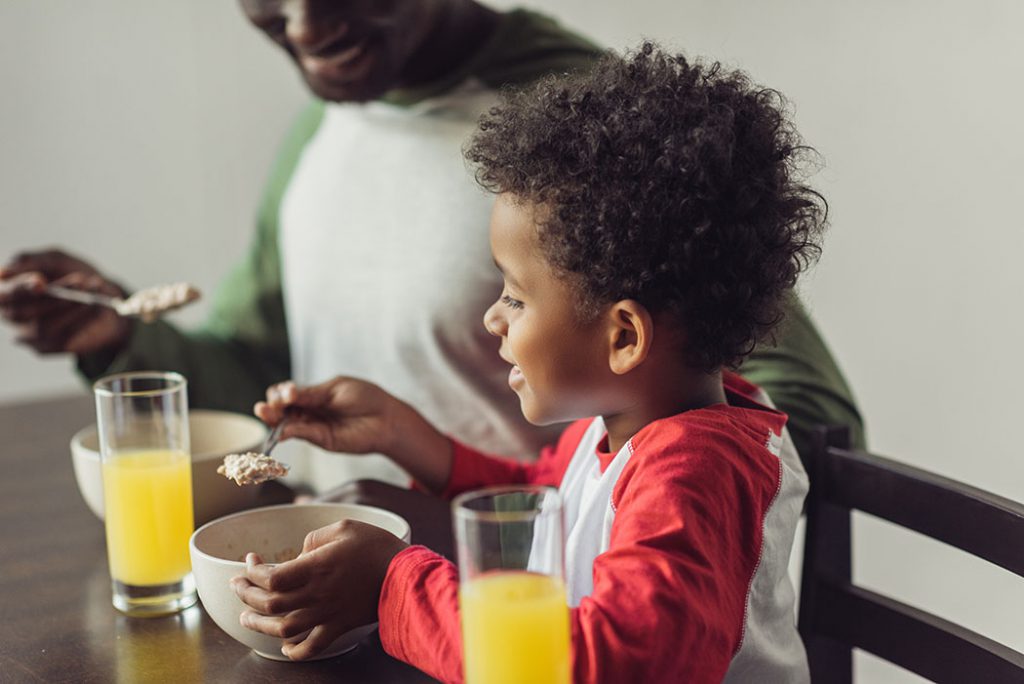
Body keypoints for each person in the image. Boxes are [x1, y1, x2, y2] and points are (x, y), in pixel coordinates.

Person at [0, 1, 862, 493]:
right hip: (349, 601)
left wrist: (565, 536)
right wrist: (119, 336)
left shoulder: (594, 136)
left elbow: (798, 414)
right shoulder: (325, 126)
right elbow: (261, 372)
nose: (302, 23)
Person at [232, 44, 819, 682]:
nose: (494, 317)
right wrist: (403, 433)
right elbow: (544, 496)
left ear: (624, 337)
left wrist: (391, 586)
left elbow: (611, 664)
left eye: (515, 295)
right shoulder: (631, 423)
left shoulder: (695, 476)